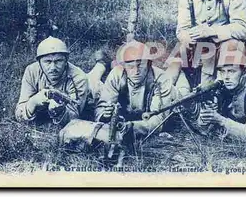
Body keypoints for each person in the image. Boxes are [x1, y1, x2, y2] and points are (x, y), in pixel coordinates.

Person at [58, 41, 191, 148]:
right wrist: (105, 115)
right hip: (139, 103)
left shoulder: (161, 80)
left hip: (174, 92)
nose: (136, 71)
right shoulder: (117, 74)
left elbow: (158, 121)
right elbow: (102, 105)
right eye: (131, 66)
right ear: (123, 67)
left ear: (149, 64)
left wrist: (131, 127)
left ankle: (181, 63)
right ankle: (103, 63)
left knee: (181, 87)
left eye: (141, 65)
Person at [175, 0, 246, 86]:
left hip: (227, 42)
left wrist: (211, 31)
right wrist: (187, 37)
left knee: (232, 47)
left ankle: (230, 90)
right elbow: (182, 29)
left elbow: (243, 29)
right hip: (200, 45)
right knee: (177, 57)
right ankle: (176, 92)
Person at [190, 39, 246, 142]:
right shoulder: (221, 84)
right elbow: (205, 129)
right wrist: (206, 115)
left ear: (244, 71)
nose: (226, 77)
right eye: (222, 71)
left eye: (231, 71)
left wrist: (220, 120)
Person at [14, 36, 109, 127]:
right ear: (39, 62)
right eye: (47, 61)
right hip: (79, 79)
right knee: (91, 76)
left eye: (58, 61)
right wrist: (33, 102)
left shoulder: (79, 78)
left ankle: (102, 63)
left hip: (90, 89)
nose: (53, 68)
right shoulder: (31, 71)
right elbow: (20, 112)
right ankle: (101, 62)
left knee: (93, 81)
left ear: (66, 60)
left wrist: (60, 111)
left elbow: (75, 116)